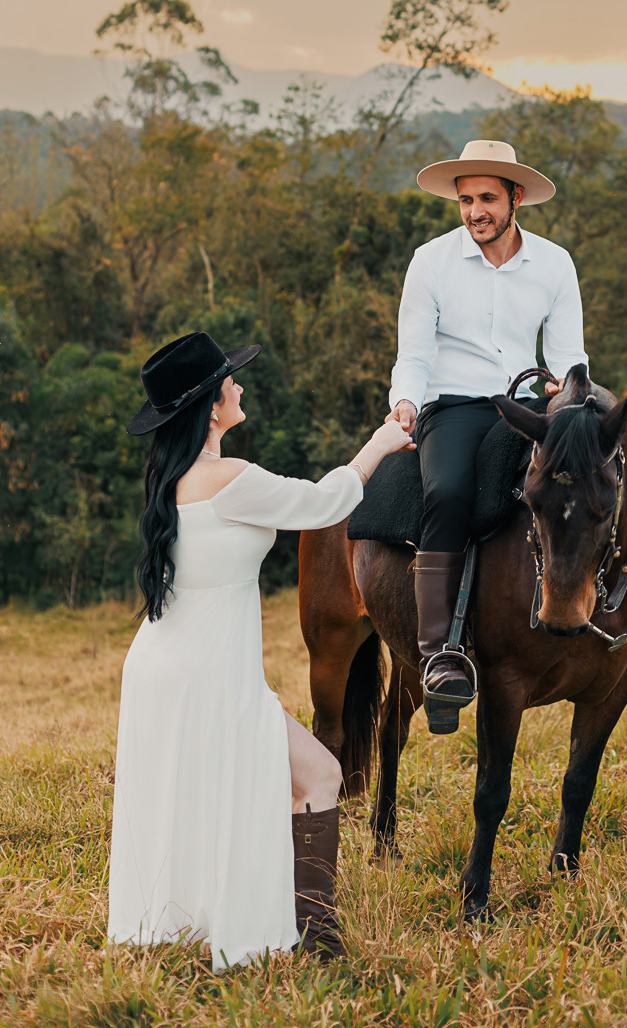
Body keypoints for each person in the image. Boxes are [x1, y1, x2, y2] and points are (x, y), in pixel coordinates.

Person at [386, 138, 627, 733]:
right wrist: (405, 402)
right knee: (449, 492)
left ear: (516, 198)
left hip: (532, 405)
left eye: (486, 198)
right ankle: (440, 655)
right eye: (464, 200)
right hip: (452, 406)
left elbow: (568, 356)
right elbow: (414, 354)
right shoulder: (430, 262)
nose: (474, 211)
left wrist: (569, 391)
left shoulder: (555, 264)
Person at [107, 330, 411, 971]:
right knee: (321, 775)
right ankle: (314, 939)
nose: (240, 386)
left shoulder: (169, 478)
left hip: (165, 667)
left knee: (197, 796)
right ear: (212, 407)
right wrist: (381, 444)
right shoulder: (231, 479)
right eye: (230, 381)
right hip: (213, 676)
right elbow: (326, 502)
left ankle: (255, 926)